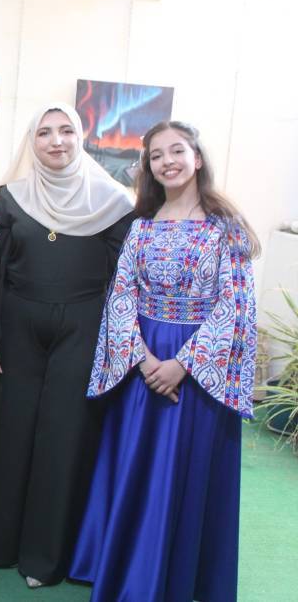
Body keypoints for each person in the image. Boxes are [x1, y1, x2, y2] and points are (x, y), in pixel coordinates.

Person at [70, 121, 259, 602]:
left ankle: (175, 578)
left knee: (184, 471)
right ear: (148, 166)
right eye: (156, 155)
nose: (167, 161)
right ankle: (129, 572)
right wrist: (141, 357)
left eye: (177, 151)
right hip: (143, 360)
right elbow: (121, 296)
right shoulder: (141, 227)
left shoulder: (226, 229)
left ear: (198, 158)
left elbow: (235, 304)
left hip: (195, 372)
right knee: (138, 466)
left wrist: (183, 365)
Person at [0, 103, 134, 588]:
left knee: (62, 439)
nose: (56, 141)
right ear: (32, 141)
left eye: (66, 130)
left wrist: (114, 347)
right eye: (44, 132)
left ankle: (44, 559)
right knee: (11, 433)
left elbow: (123, 283)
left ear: (80, 137)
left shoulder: (115, 203)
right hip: (17, 329)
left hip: (83, 331)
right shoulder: (10, 197)